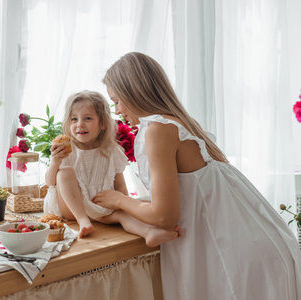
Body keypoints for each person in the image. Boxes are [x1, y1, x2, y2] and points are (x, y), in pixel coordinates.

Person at [93, 52, 301, 299]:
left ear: (133, 91)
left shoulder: (157, 129)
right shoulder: (179, 122)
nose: (117, 111)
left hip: (236, 259)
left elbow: (164, 216)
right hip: (258, 247)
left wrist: (118, 200)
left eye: (116, 101)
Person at [45, 90, 181, 245]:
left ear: (102, 123)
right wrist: (55, 162)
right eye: (73, 119)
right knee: (64, 173)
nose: (79, 124)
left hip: (99, 206)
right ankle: (83, 221)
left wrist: (126, 206)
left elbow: (120, 184)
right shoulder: (66, 151)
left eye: (87, 118)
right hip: (72, 210)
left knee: (122, 215)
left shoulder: (111, 151)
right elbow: (50, 183)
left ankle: (149, 233)